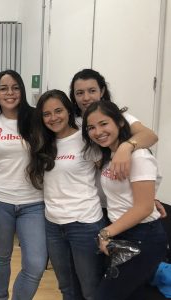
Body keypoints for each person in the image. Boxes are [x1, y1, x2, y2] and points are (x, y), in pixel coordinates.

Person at [82, 101, 167, 299]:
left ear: (120, 122)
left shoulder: (139, 156)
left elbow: (143, 208)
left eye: (104, 124)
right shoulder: (110, 154)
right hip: (124, 232)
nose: (98, 132)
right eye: (91, 127)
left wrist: (105, 233)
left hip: (143, 236)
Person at [27, 89, 105, 299]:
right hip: (53, 224)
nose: (53, 118)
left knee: (90, 289)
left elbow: (107, 173)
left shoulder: (85, 138)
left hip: (85, 223)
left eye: (58, 111)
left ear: (69, 111)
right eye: (47, 114)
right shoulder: (43, 141)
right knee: (67, 287)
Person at [0, 70, 46, 300]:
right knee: (1, 257)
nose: (10, 93)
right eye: (3, 88)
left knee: (36, 264)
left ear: (22, 90)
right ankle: (1, 297)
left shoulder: (36, 118)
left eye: (15, 87)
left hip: (34, 202)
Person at [69, 68, 158, 181]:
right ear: (74, 96)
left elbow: (150, 136)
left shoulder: (117, 116)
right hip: (93, 192)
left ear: (101, 91)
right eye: (80, 93)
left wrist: (124, 148)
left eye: (92, 91)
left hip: (118, 188)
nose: (86, 98)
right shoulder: (71, 122)